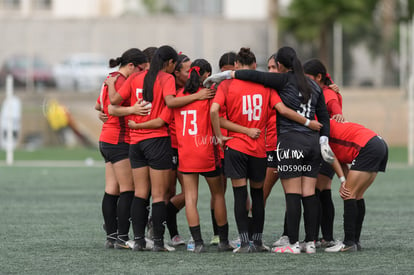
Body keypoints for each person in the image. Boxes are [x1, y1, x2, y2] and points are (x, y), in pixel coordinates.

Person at [210, 47, 324, 253]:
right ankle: (281, 242)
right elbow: (294, 111)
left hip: (252, 145)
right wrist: (313, 127)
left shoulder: (233, 85)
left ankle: (255, 243)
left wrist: (220, 136)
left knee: (246, 195)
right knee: (270, 195)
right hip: (275, 148)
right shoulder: (285, 87)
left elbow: (214, 110)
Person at [110, 45, 178, 252]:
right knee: (158, 195)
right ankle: (158, 242)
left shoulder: (134, 78)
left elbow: (113, 102)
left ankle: (138, 240)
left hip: (135, 143)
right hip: (156, 141)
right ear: (170, 63)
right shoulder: (167, 79)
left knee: (140, 193)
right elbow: (161, 121)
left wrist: (112, 84)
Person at [94, 48, 148, 249]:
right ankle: (122, 238)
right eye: (141, 69)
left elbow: (99, 106)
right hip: (118, 138)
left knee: (112, 189)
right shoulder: (122, 81)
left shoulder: (110, 77)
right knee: (129, 189)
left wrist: (105, 114)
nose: (142, 73)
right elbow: (110, 108)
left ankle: (112, 236)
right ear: (132, 65)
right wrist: (132, 110)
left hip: (106, 138)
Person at [324, 119, 388, 252]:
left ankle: (348, 243)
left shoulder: (318, 124)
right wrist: (344, 180)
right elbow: (340, 159)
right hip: (379, 143)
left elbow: (329, 156)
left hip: (368, 147)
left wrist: (343, 182)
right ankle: (355, 241)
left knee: (348, 194)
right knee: (357, 195)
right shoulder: (326, 122)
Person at [303, 58, 344, 248]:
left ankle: (323, 237)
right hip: (321, 145)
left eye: (308, 77)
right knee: (322, 189)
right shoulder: (322, 90)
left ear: (319, 77)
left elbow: (335, 108)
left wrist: (337, 114)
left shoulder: (327, 93)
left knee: (320, 189)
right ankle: (324, 237)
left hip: (326, 146)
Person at [210, 51, 236, 246]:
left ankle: (249, 235)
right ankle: (219, 234)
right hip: (217, 145)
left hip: (238, 143)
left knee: (241, 189)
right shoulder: (212, 88)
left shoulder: (242, 86)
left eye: (231, 73)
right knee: (219, 192)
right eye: (224, 73)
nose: (227, 76)